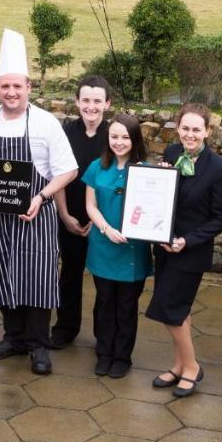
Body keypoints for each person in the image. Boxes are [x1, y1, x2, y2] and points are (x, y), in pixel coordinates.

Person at [0, 30, 78, 376]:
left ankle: (37, 345)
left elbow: (69, 170)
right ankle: (12, 337)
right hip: (0, 216)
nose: (11, 93)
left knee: (37, 278)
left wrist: (41, 196)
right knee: (2, 274)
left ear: (29, 88)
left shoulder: (46, 123)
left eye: (17, 86)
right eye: (5, 86)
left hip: (37, 214)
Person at [148, 102, 222, 398]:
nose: (190, 134)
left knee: (170, 310)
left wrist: (187, 240)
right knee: (179, 312)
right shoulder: (171, 155)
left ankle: (193, 367)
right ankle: (178, 365)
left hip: (191, 251)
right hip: (164, 245)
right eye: (185, 128)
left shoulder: (220, 168)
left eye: (197, 129)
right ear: (178, 128)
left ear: (207, 131)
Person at [83, 113, 152, 378]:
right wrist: (106, 229)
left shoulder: (147, 171)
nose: (119, 142)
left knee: (127, 306)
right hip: (103, 245)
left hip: (132, 249)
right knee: (104, 302)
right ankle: (104, 352)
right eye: (114, 136)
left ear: (135, 139)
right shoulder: (96, 167)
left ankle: (123, 356)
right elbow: (90, 205)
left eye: (125, 137)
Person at [50, 76, 112, 349]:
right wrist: (64, 215)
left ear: (107, 104)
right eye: (85, 100)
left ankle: (103, 336)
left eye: (97, 101)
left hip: (103, 221)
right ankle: (65, 327)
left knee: (104, 281)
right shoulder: (66, 132)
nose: (91, 106)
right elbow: (58, 174)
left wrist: (104, 222)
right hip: (71, 217)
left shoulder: (114, 136)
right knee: (70, 275)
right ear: (77, 102)